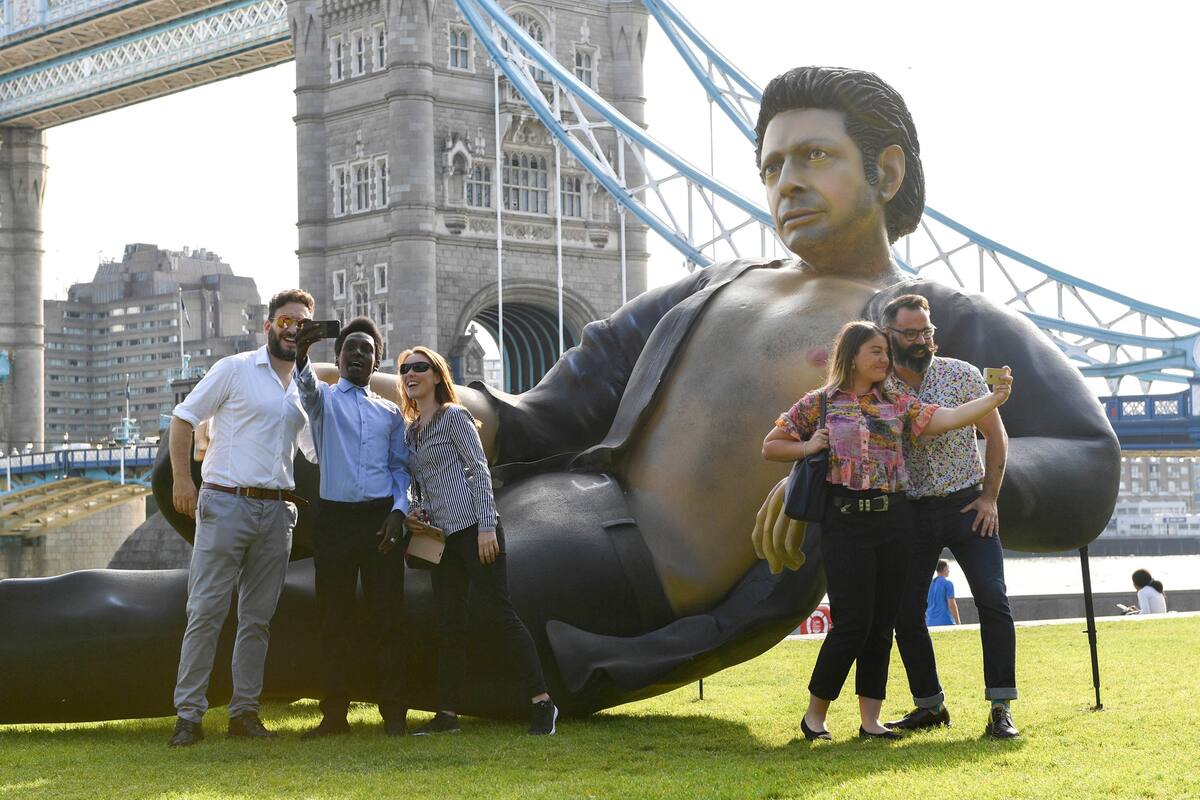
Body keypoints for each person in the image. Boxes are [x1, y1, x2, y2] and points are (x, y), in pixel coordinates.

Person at [1, 67, 1122, 726]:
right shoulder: (710, 289)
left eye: (814, 160)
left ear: (884, 172)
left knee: (259, 615)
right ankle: (282, 462)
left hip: (608, 578)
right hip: (530, 506)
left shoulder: (944, 322)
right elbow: (548, 411)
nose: (784, 185)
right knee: (248, 570)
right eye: (771, 164)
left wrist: (865, 472)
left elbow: (1085, 462)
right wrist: (434, 402)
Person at [762, 320, 1012, 740]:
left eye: (885, 352)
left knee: (882, 624)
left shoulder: (896, 399)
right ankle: (814, 716)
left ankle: (870, 721)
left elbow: (944, 420)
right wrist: (809, 445)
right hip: (843, 522)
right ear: (853, 356)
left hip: (893, 519)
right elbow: (771, 445)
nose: (884, 359)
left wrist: (994, 399)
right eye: (876, 351)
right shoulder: (819, 403)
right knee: (851, 624)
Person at [165, 289, 314, 747]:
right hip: (225, 502)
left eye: (302, 325)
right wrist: (182, 480)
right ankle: (189, 716)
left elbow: (316, 450)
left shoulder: (305, 389)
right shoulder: (234, 370)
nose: (292, 331)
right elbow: (183, 418)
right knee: (206, 611)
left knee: (257, 619)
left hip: (276, 513)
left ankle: (243, 713)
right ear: (268, 326)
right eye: (286, 322)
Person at [878, 293, 1019, 739]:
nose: (923, 340)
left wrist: (990, 498)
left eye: (928, 331)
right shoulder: (877, 388)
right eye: (912, 333)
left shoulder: (961, 374)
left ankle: (1001, 708)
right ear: (889, 336)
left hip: (967, 504)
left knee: (994, 600)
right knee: (905, 613)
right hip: (911, 511)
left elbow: (996, 435)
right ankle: (930, 706)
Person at [397, 346, 558, 736]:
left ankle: (542, 704)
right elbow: (419, 485)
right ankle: (447, 715)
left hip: (475, 530)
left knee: (500, 615)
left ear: (437, 376)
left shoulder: (455, 417)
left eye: (420, 367)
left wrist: (487, 526)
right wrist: (416, 512)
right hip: (442, 540)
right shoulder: (412, 430)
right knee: (449, 625)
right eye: (404, 369)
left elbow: (478, 470)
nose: (410, 374)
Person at [293, 316, 412, 738]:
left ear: (376, 360)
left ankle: (394, 714)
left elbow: (401, 470)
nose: (358, 354)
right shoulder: (323, 403)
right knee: (333, 620)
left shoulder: (390, 415)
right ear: (339, 358)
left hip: (381, 521)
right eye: (350, 349)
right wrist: (302, 352)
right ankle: (333, 716)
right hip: (335, 522)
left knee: (389, 619)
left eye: (366, 349)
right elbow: (304, 387)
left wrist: (399, 512)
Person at [924, 561, 960, 627]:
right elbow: (952, 604)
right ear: (944, 569)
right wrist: (958, 623)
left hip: (930, 622)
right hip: (944, 621)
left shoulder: (929, 584)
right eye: (948, 569)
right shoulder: (948, 584)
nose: (949, 571)